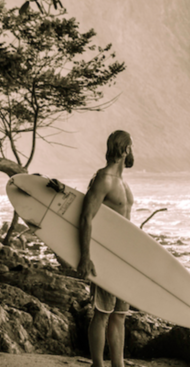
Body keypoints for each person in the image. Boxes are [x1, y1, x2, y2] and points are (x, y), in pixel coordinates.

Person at [77, 130, 135, 367]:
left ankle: (118, 365)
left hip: (124, 258)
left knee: (119, 315)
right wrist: (85, 257)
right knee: (102, 313)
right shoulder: (104, 179)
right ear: (126, 149)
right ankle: (98, 364)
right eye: (131, 147)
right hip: (107, 256)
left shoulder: (122, 182)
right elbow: (86, 217)